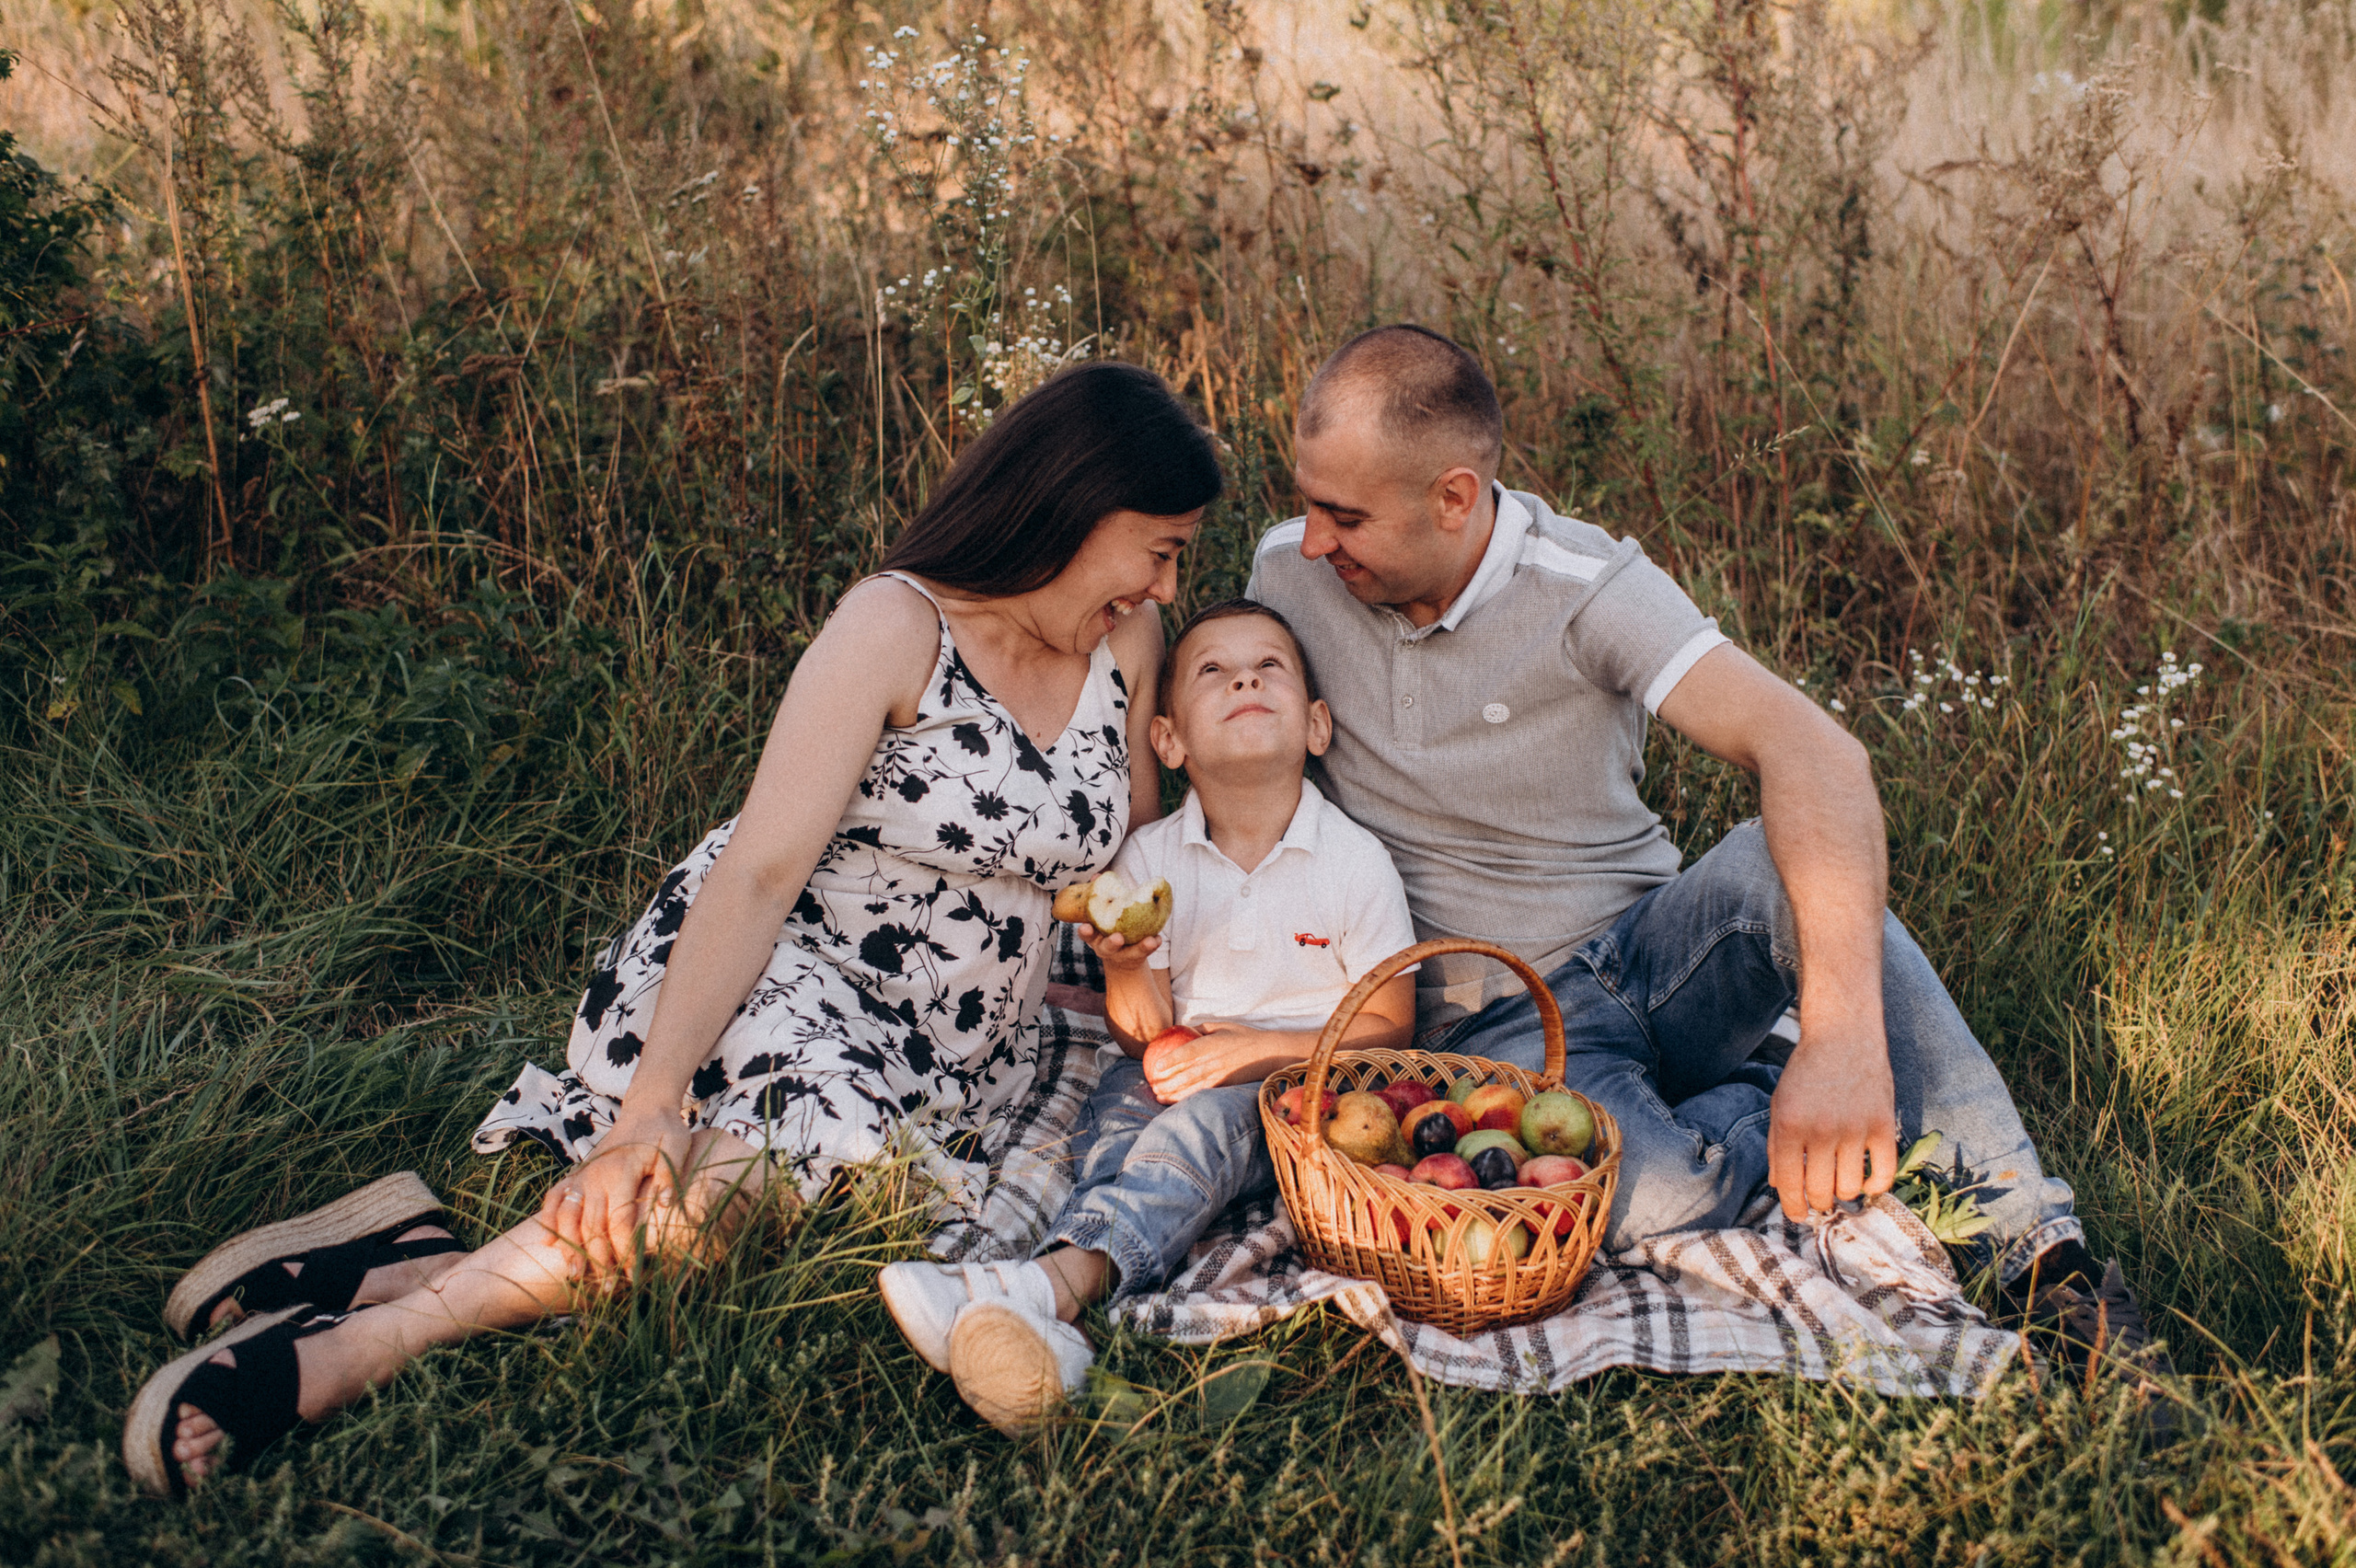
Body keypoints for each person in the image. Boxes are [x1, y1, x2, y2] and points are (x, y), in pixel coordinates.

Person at [122, 362, 1224, 1496]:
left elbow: (1119, 856)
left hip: (952, 1048)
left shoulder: (1124, 644)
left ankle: (402, 1264)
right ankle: (347, 1354)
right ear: (1073, 505)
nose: (1164, 582)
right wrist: (650, 1108)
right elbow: (759, 870)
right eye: (1160, 546)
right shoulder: (895, 625)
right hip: (800, 970)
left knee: (760, 1210)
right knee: (728, 1201)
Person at [1244, 323, 2167, 1378]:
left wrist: (1846, 1037)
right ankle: (1762, 1108)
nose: (1314, 539)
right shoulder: (1289, 574)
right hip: (1495, 1026)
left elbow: (1813, 751)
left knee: (1784, 866)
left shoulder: (1587, 585)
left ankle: (2046, 1272)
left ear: (1453, 497)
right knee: (1648, 1201)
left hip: (1652, 951)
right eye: (1309, 501)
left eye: (1344, 514)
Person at [874, 599, 1420, 1432]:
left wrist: (1252, 1053)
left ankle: (1044, 1285)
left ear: (1316, 725)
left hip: (1296, 1083)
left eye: (1269, 666)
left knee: (1190, 1139)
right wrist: (1127, 966)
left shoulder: (1355, 861)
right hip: (1169, 1060)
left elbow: (1390, 1024)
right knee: (1114, 1139)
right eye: (1213, 671)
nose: (1245, 677)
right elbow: (1140, 1030)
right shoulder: (1151, 858)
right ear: (1168, 741)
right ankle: (1064, 1330)